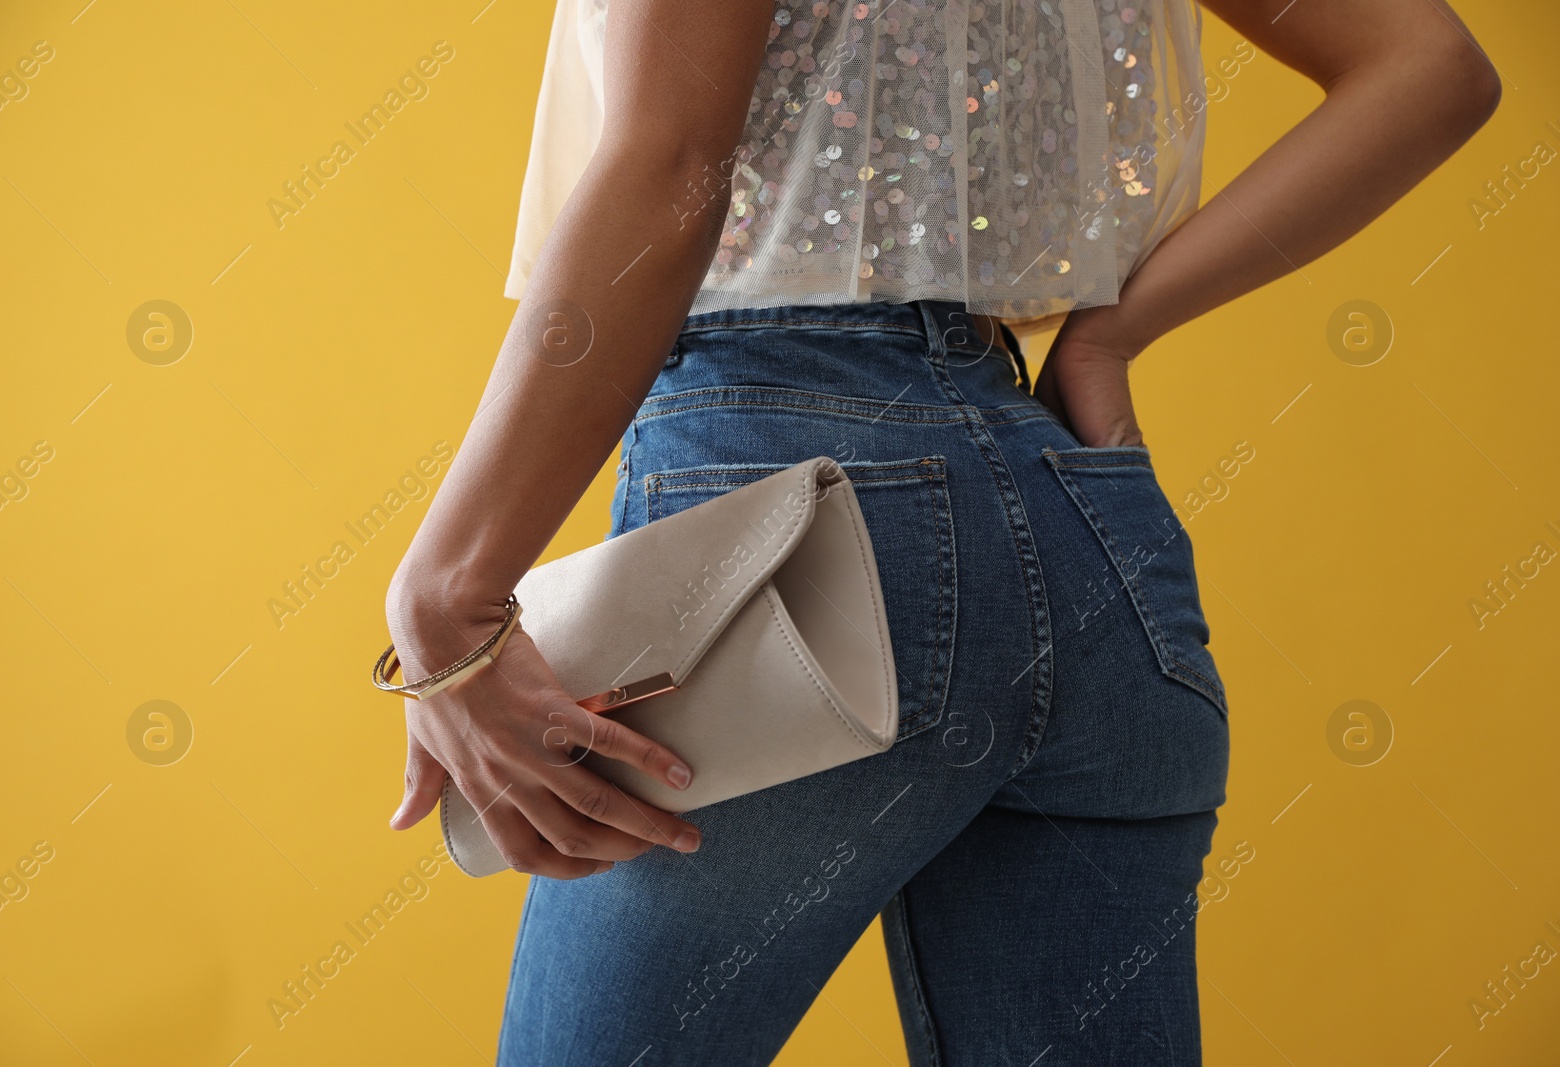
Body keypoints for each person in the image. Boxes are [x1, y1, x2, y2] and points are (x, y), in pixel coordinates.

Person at [381, 0, 1499, 1061]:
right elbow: (1432, 68)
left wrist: (446, 593)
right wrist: (1110, 338)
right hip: (1081, 520)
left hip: (783, 518)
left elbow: (674, 165)